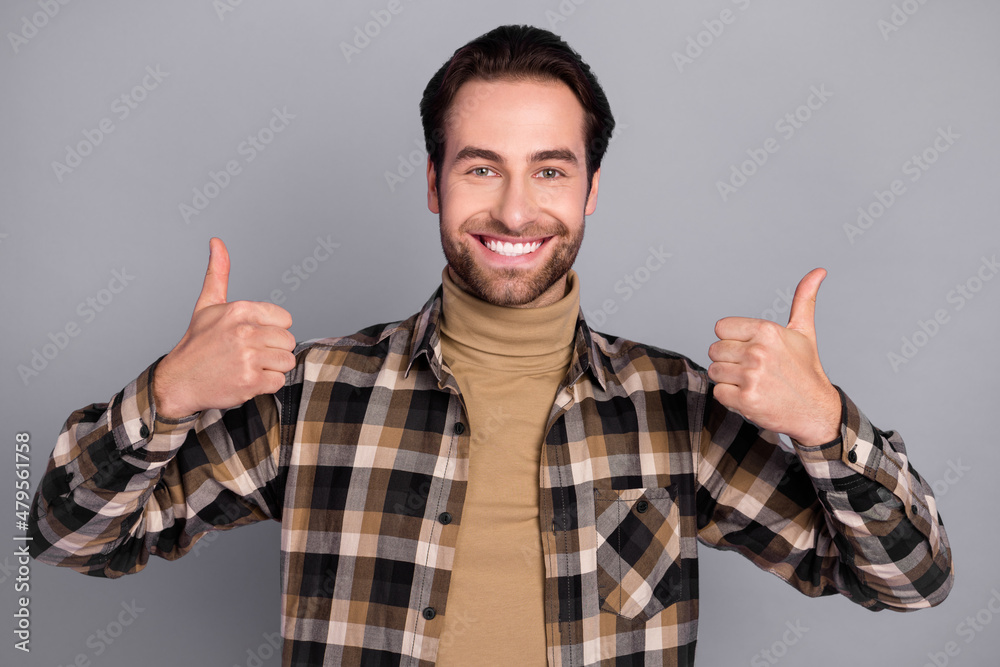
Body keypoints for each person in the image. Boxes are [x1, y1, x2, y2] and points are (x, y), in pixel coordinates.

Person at [28, 24, 953, 667]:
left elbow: (910, 580)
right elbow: (70, 537)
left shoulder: (677, 408)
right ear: (435, 182)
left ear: (590, 191)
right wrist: (168, 394)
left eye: (550, 170)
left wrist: (825, 422)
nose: (515, 210)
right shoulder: (312, 394)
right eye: (482, 167)